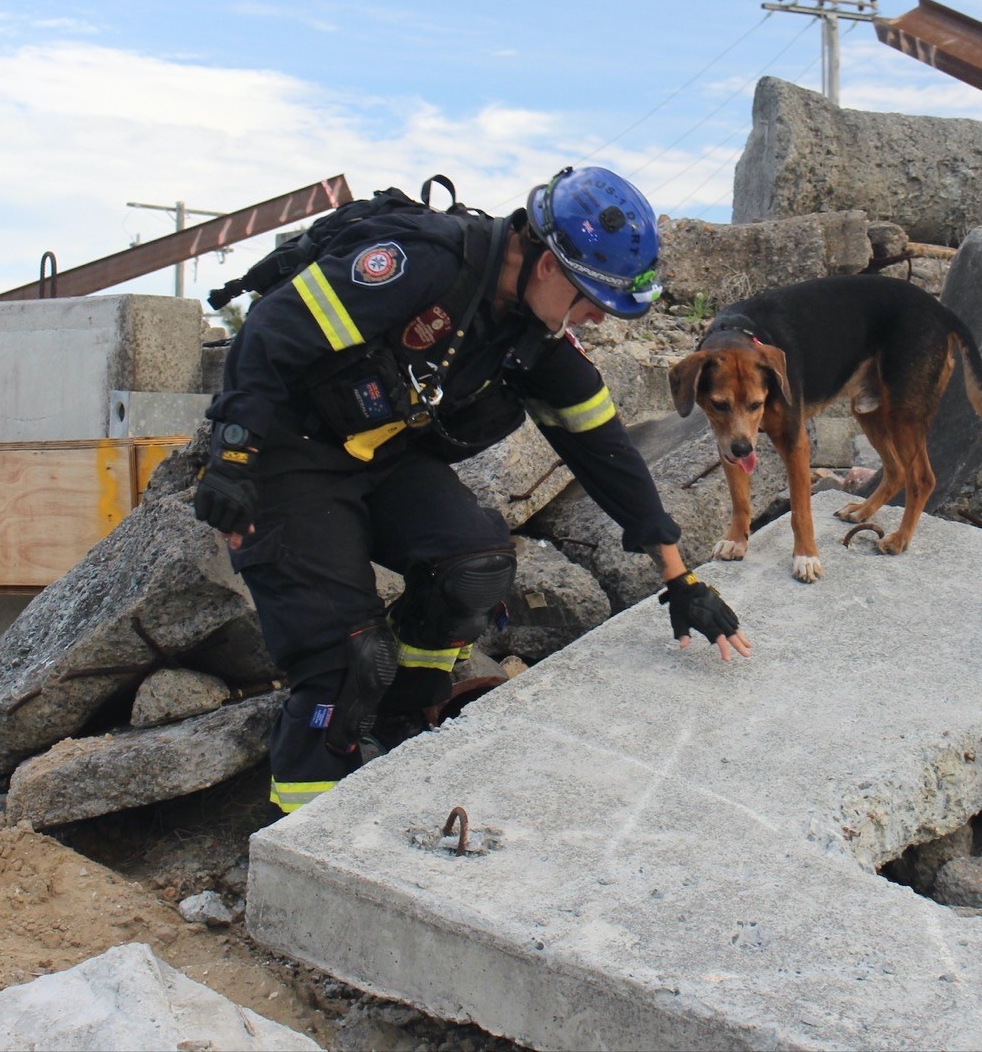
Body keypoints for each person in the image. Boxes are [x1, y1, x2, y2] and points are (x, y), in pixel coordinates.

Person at [194, 166, 750, 814]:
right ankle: (301, 833)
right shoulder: (426, 263)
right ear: (547, 266)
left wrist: (679, 580)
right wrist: (233, 452)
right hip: (282, 454)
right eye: (593, 297)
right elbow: (272, 332)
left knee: (474, 566)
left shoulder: (531, 336)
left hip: (377, 457)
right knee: (348, 659)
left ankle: (398, 724)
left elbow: (609, 456)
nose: (597, 317)